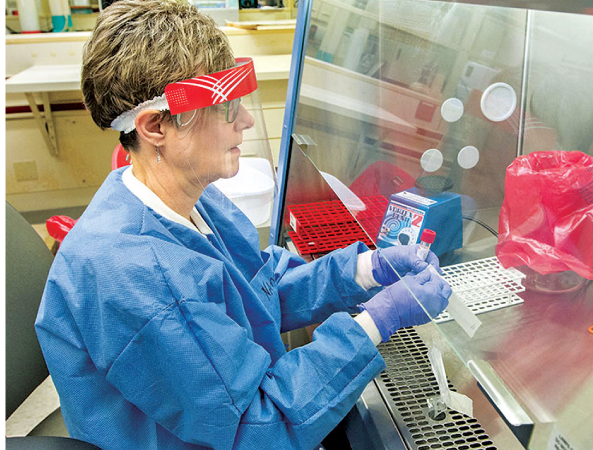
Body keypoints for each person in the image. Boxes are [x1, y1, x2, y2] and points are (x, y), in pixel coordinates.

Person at [34, 1, 451, 449]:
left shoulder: (187, 198)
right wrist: (375, 322)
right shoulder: (135, 275)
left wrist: (365, 270)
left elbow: (256, 293)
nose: (247, 119)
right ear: (155, 125)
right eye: (226, 106)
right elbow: (259, 428)